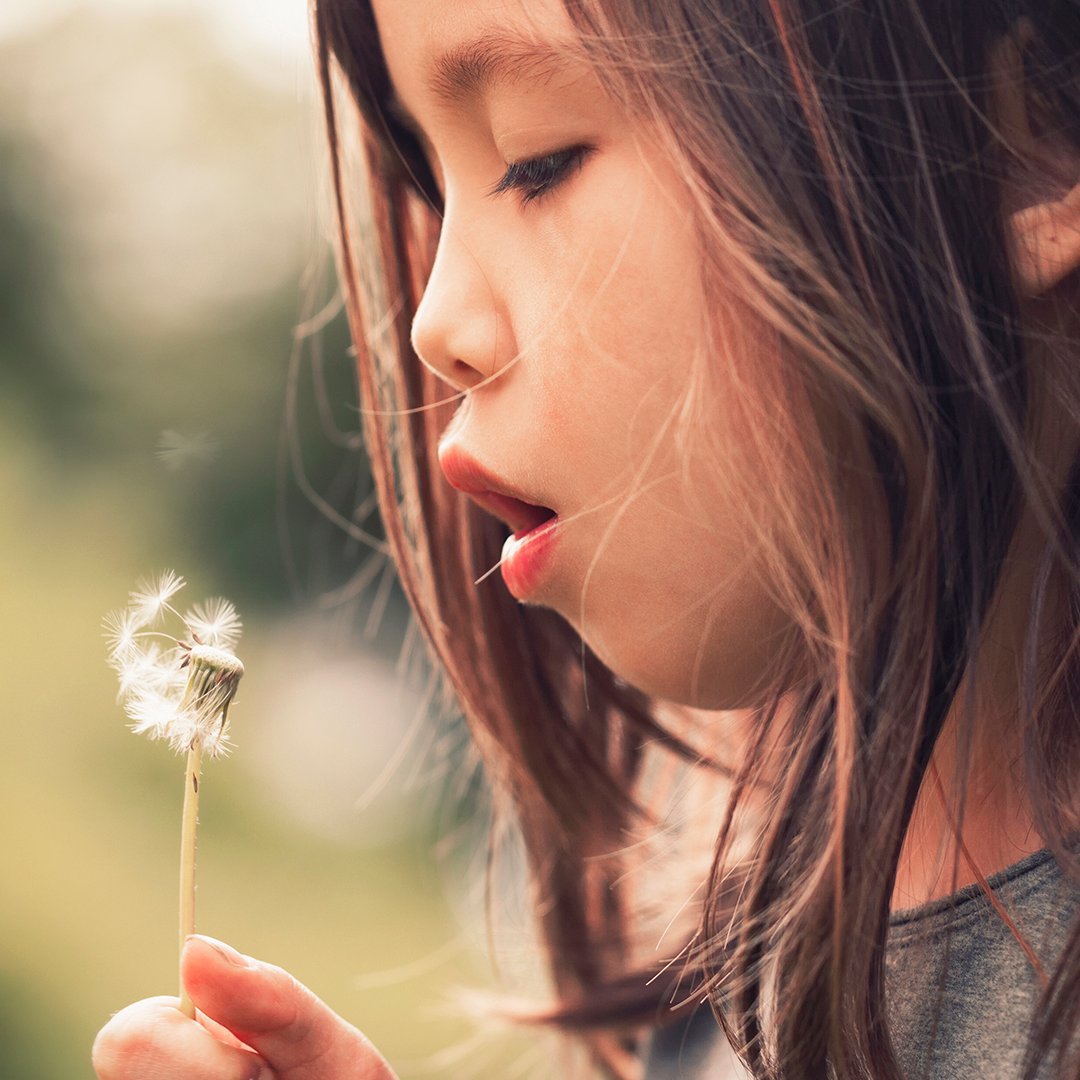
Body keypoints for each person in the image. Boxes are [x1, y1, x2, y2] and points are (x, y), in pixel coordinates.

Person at [92, 0, 1080, 1077]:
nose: (435, 326)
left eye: (535, 159)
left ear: (1021, 145)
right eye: (434, 188)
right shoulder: (715, 974)